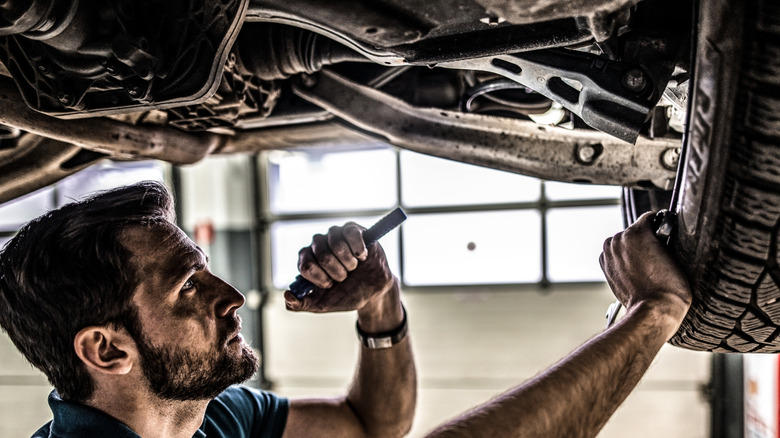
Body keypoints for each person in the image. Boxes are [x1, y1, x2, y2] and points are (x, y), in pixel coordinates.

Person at [0, 180, 691, 438]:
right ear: (107, 351)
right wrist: (652, 312)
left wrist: (379, 303)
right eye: (188, 288)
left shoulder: (205, 418)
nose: (231, 297)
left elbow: (370, 426)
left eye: (204, 270)